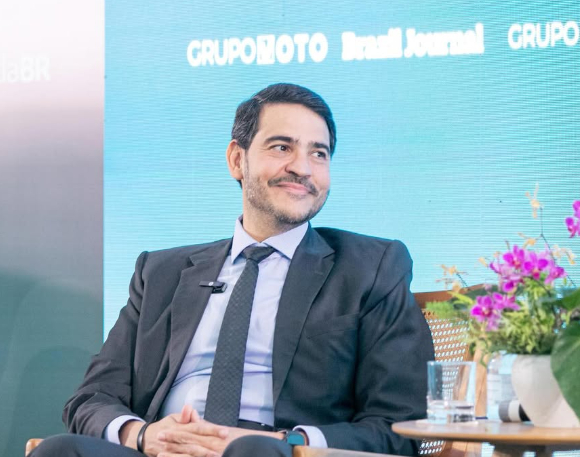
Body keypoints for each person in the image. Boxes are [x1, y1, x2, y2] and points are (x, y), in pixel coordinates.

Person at [31, 83, 434, 457]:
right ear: (237, 160)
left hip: (277, 450)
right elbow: (91, 398)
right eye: (282, 147)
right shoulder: (160, 272)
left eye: (319, 153)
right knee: (59, 451)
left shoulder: (371, 267)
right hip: (164, 447)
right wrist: (144, 435)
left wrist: (287, 442)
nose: (303, 168)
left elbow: (399, 424)